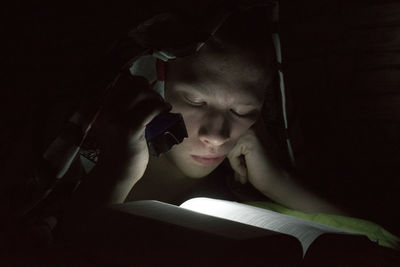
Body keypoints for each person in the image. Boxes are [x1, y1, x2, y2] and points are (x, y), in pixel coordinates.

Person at [65, 5, 346, 228]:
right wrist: (116, 174)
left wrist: (278, 182)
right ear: (154, 83)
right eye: (196, 101)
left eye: (242, 111)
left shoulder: (239, 187)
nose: (217, 135)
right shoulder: (75, 175)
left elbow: (383, 248)